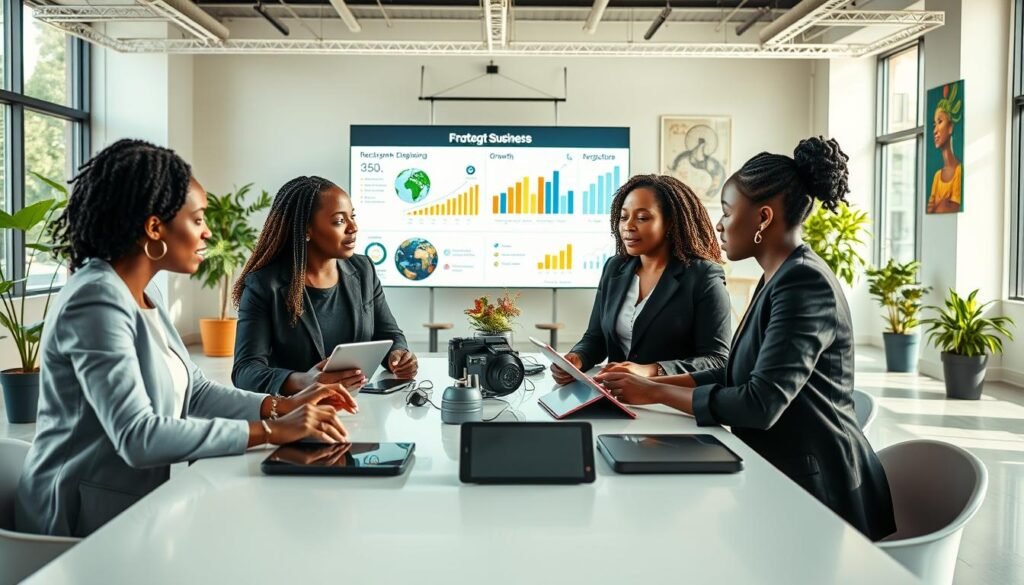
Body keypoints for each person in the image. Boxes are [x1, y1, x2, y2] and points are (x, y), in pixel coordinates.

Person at [15, 140, 355, 538]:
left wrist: (281, 405)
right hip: (79, 520)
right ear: (154, 227)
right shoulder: (95, 299)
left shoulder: (146, 292)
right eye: (197, 220)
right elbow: (138, 436)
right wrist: (272, 431)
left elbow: (194, 391)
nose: (208, 231)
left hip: (131, 506)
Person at [596, 137, 897, 541]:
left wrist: (656, 391)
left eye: (727, 211)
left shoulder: (804, 283)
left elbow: (759, 403)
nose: (718, 224)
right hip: (781, 470)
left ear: (764, 218)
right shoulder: (778, 276)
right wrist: (645, 386)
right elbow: (737, 375)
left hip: (819, 493)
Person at [232, 176, 416, 396]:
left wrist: (398, 356)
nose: (353, 227)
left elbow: (389, 333)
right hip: (297, 413)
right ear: (306, 230)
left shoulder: (363, 269)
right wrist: (305, 381)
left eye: (353, 216)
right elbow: (245, 370)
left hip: (360, 407)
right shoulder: (264, 285)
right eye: (339, 221)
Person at [550, 174, 731, 385]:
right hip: (616, 397)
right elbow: (596, 338)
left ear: (670, 223)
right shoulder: (614, 268)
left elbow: (717, 361)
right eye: (624, 217)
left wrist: (651, 371)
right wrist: (576, 358)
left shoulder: (703, 276)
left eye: (642, 218)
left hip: (672, 403)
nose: (628, 226)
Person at [926, 82, 963, 214]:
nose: (935, 130)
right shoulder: (937, 176)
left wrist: (938, 205)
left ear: (950, 127)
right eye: (934, 124)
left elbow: (947, 208)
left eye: (940, 122)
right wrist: (940, 204)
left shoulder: (959, 172)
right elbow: (932, 210)